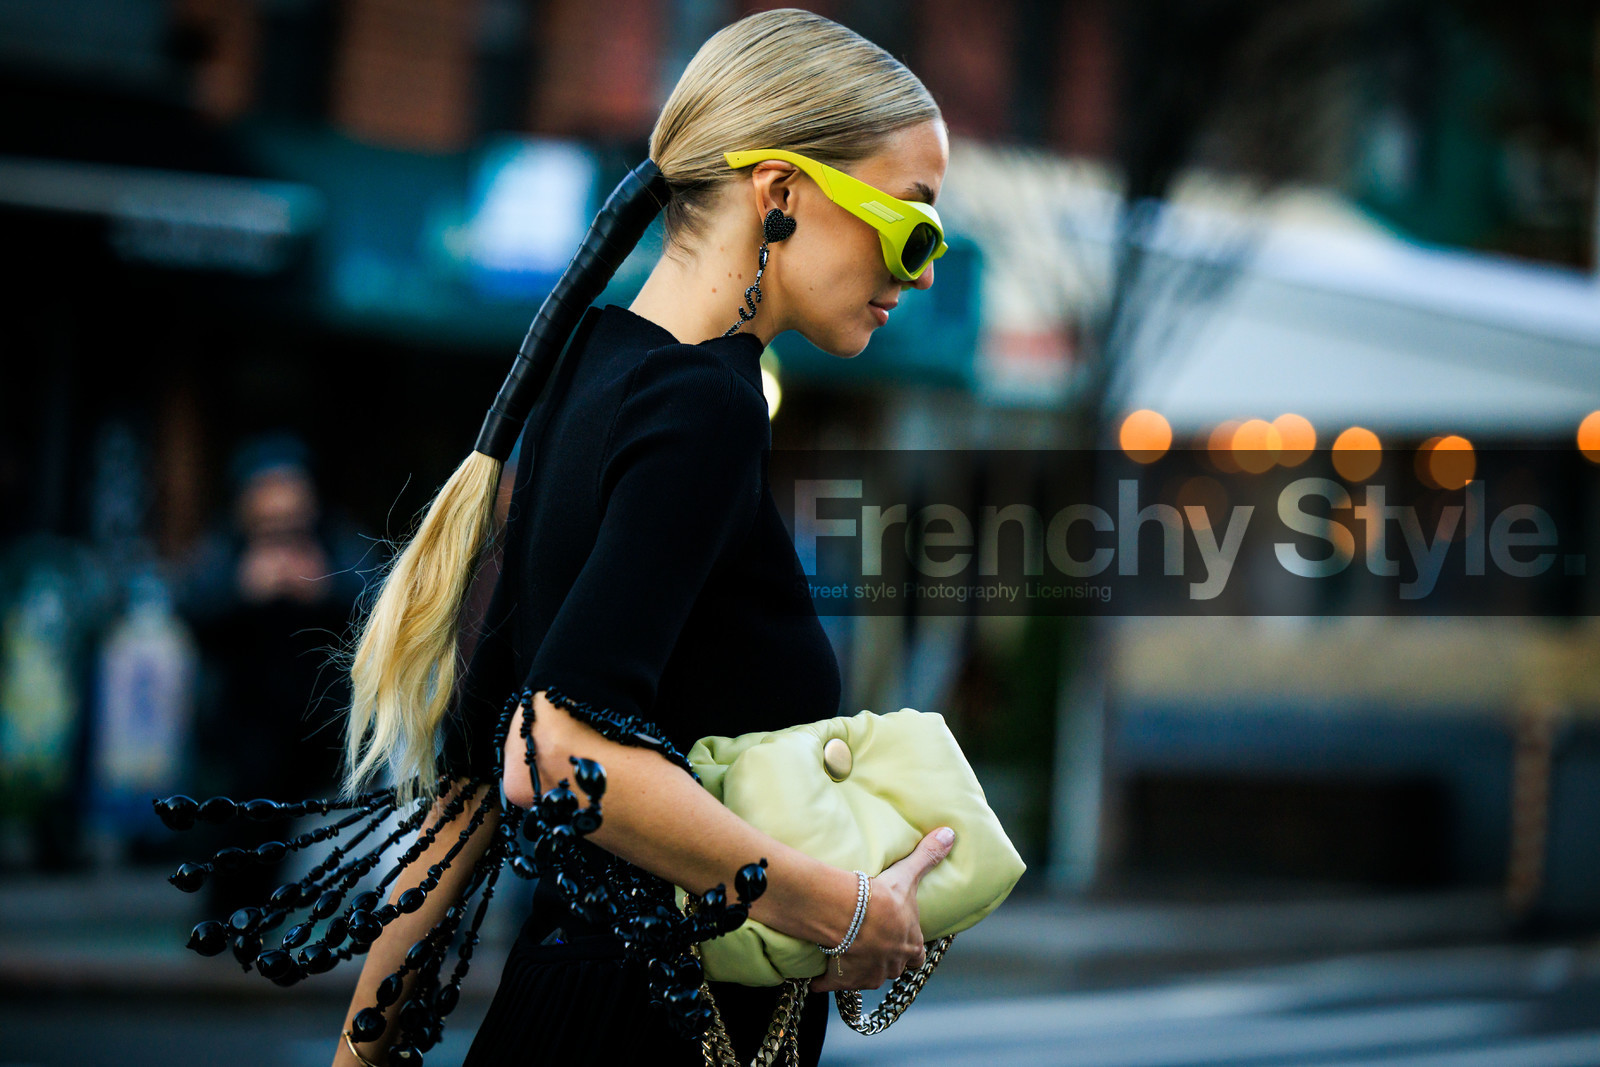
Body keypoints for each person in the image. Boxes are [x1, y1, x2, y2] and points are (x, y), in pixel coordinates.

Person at [332, 9, 953, 1065]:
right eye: (915, 224)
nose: (925, 270)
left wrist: (360, 1053)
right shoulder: (705, 405)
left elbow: (474, 783)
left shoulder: (597, 375)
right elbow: (560, 753)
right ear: (784, 193)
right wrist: (843, 910)